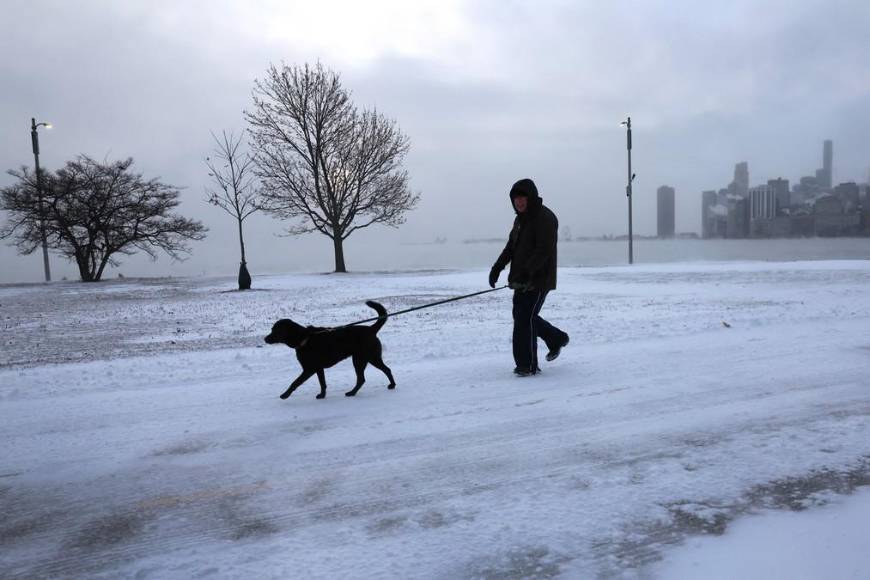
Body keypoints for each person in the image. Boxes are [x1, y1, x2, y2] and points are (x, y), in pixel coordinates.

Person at [489, 178, 569, 376]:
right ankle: (556, 338)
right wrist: (497, 267)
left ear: (531, 197)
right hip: (521, 279)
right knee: (523, 316)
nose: (519, 202)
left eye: (522, 197)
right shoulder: (519, 220)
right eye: (515, 199)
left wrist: (528, 272)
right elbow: (511, 247)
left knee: (525, 318)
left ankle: (527, 365)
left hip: (539, 279)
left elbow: (543, 250)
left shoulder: (545, 218)